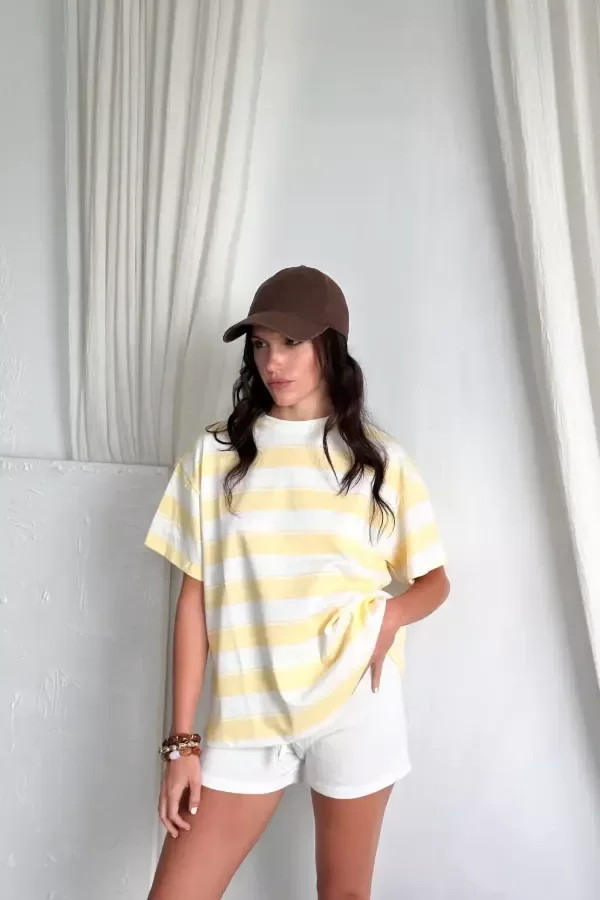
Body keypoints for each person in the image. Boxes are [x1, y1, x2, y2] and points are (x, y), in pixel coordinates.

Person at [144, 266, 449, 900]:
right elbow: (194, 601)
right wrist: (182, 744)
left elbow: (434, 581)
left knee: (344, 894)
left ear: (329, 347)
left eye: (291, 342)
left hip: (355, 702)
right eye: (260, 344)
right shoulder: (216, 454)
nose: (272, 361)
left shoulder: (379, 461)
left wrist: (387, 620)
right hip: (248, 712)